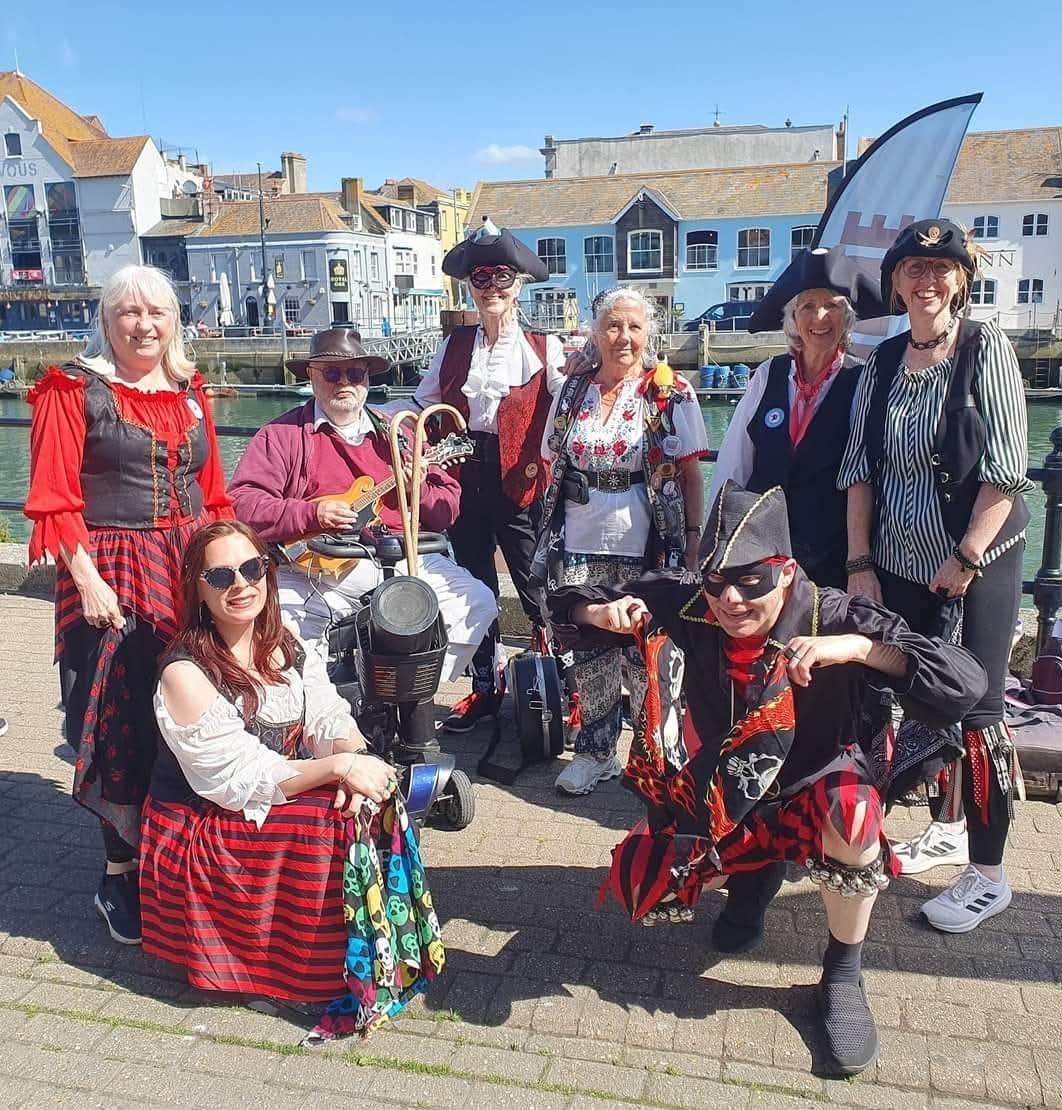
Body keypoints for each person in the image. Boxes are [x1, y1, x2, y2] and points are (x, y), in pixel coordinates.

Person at [550, 482, 986, 1075]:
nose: (729, 600)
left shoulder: (836, 614)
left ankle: (843, 973)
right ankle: (753, 878)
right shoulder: (691, 606)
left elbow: (963, 682)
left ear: (785, 572)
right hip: (723, 785)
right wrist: (597, 611)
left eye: (749, 582)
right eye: (716, 583)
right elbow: (564, 602)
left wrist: (859, 650)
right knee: (689, 814)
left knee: (854, 818)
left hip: (817, 778)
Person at [142, 521, 443, 1033]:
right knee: (328, 822)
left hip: (257, 795)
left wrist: (351, 760)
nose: (240, 585)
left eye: (252, 568)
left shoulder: (287, 641)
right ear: (196, 586)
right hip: (199, 825)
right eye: (219, 576)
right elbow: (241, 781)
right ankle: (290, 977)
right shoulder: (185, 673)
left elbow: (326, 717)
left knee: (371, 800)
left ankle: (376, 957)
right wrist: (335, 769)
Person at [23, 264, 232, 947]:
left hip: (186, 566)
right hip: (111, 566)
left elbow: (213, 493)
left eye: (156, 312)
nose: (143, 324)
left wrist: (227, 571)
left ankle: (180, 855)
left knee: (193, 708)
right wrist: (85, 578)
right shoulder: (71, 389)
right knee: (119, 718)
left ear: (175, 320)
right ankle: (119, 871)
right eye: (127, 312)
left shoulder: (191, 391)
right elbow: (54, 496)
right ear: (106, 321)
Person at [838, 218, 1031, 932]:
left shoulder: (986, 349)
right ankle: (944, 828)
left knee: (977, 715)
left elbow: (1008, 471)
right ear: (895, 282)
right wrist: (861, 565)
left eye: (941, 268)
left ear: (961, 280)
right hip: (900, 565)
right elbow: (858, 471)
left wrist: (966, 557)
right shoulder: (884, 361)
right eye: (914, 268)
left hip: (976, 566)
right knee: (920, 699)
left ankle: (990, 874)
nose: (927, 280)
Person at [228, 327, 497, 697]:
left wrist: (415, 487)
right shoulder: (282, 434)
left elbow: (446, 511)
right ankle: (325, 713)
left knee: (478, 603)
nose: (345, 383)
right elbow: (242, 504)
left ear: (367, 379)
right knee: (282, 640)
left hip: (400, 559)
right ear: (311, 375)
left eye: (355, 374)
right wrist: (311, 513)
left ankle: (403, 695)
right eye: (332, 373)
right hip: (311, 566)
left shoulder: (399, 433)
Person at [391, 218, 566, 733]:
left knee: (537, 585)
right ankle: (484, 688)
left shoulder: (543, 345)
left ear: (519, 285)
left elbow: (570, 402)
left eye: (502, 278)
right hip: (462, 475)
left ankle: (559, 683)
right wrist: (377, 421)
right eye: (482, 278)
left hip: (521, 479)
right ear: (470, 285)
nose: (491, 288)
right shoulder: (454, 345)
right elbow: (422, 403)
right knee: (474, 584)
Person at [537, 287, 707, 795]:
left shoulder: (671, 393)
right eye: (612, 326)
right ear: (596, 332)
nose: (623, 337)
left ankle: (652, 752)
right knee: (588, 649)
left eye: (633, 327)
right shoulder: (572, 391)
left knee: (647, 650)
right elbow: (552, 462)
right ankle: (594, 752)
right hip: (580, 537)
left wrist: (694, 543)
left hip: (649, 541)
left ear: (648, 333)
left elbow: (692, 473)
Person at [707, 247, 884, 588]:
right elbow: (734, 464)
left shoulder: (864, 381)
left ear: (846, 318)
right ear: (792, 320)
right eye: (808, 307)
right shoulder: (767, 376)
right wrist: (718, 540)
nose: (820, 317)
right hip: (759, 553)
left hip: (831, 557)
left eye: (832, 305)